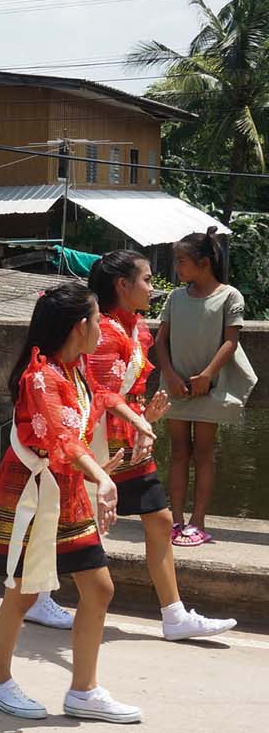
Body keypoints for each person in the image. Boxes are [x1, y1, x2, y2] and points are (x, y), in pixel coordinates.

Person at [26, 252, 237, 640]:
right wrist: (138, 423)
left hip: (129, 443)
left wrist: (143, 421)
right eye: (147, 279)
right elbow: (96, 394)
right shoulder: (102, 332)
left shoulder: (135, 328)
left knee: (159, 520)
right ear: (123, 285)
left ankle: (174, 614)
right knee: (71, 520)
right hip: (101, 445)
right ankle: (38, 597)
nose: (152, 288)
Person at [0, 283, 153, 723]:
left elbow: (102, 397)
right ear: (81, 326)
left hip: (67, 491)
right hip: (35, 495)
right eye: (97, 320)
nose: (102, 327)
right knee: (23, 592)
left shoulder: (74, 369)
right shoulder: (40, 376)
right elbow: (60, 438)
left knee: (98, 587)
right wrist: (102, 477)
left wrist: (138, 420)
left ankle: (84, 690)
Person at [154, 228, 257, 547]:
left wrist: (207, 375)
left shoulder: (230, 296)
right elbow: (160, 339)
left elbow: (230, 342)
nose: (177, 268)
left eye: (181, 261)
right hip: (176, 386)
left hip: (210, 388)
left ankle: (198, 521)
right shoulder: (175, 297)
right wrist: (170, 374)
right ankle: (176, 519)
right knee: (178, 451)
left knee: (204, 452)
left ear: (203, 263)